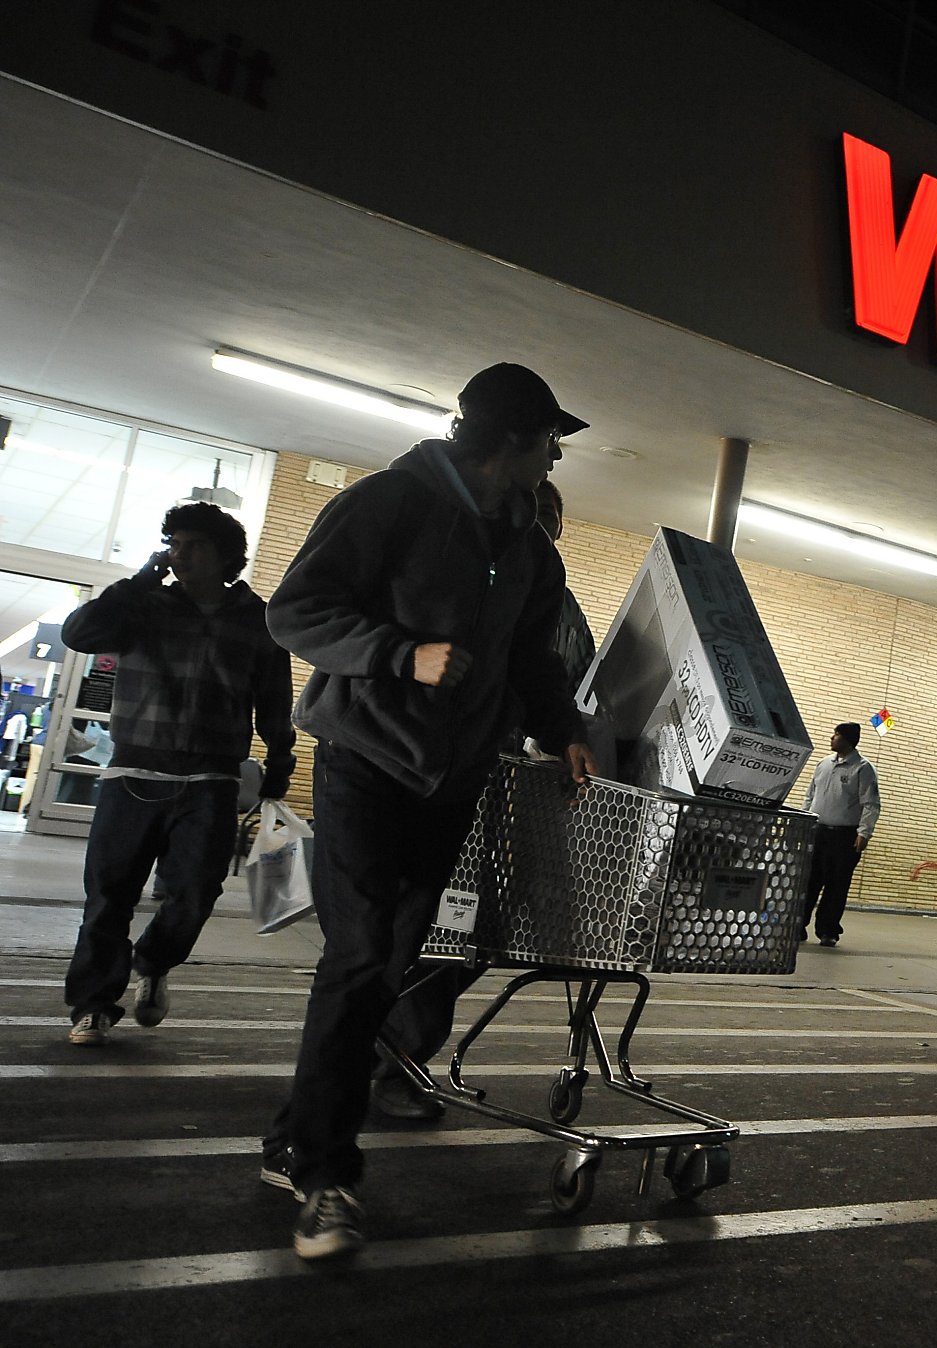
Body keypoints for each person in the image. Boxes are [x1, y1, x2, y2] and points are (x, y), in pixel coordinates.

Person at [259, 363, 597, 1261]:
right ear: (514, 440)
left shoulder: (530, 547)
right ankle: (325, 1180)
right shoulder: (388, 505)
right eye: (550, 439)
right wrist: (398, 655)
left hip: (454, 777)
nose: (555, 455)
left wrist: (565, 729)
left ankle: (296, 1133)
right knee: (363, 955)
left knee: (392, 963)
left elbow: (534, 662)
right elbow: (295, 613)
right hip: (368, 760)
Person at [367, 473, 600, 1122]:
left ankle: (392, 1052)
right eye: (534, 502)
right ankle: (387, 1060)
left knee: (481, 935)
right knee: (443, 931)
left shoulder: (558, 605)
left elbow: (570, 688)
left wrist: (566, 737)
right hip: (467, 779)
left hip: (524, 799)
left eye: (551, 510)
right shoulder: (474, 587)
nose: (540, 517)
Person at [58, 502, 296, 1046]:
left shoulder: (256, 620)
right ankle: (93, 1004)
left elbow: (274, 702)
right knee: (108, 896)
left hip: (210, 782)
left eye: (193, 546)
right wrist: (141, 578)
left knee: (194, 894)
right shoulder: (144, 606)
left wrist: (280, 761)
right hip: (133, 772)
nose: (179, 555)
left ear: (225, 556)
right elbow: (80, 634)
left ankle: (154, 961)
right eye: (174, 544)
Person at [798, 721, 881, 947]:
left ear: (848, 740)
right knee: (808, 881)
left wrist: (864, 833)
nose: (831, 738)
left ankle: (828, 930)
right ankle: (798, 925)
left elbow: (871, 804)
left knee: (836, 885)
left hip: (844, 837)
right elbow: (810, 795)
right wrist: (804, 820)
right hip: (817, 832)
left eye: (836, 735)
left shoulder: (862, 769)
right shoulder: (823, 764)